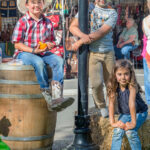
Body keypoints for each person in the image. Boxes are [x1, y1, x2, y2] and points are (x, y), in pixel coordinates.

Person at [12, 0, 74, 111]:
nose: (36, 5)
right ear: (27, 5)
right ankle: (47, 94)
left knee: (58, 61)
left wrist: (50, 44)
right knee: (38, 62)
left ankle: (57, 96)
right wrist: (33, 50)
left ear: (43, 4)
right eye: (33, 2)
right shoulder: (22, 22)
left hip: (43, 52)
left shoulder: (47, 22)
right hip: (24, 53)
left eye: (39, 2)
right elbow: (17, 44)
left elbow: (51, 41)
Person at [69, 0, 118, 117]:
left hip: (108, 53)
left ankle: (114, 108)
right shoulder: (88, 9)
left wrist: (80, 41)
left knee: (111, 83)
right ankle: (101, 106)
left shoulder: (112, 13)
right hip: (93, 53)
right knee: (96, 84)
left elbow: (100, 32)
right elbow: (72, 27)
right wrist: (83, 37)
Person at [107, 59, 148, 150]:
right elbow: (111, 104)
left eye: (126, 74)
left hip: (139, 113)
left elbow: (131, 104)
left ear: (130, 74)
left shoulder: (132, 86)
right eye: (119, 74)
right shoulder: (113, 86)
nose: (123, 77)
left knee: (130, 132)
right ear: (115, 74)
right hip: (125, 114)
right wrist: (112, 122)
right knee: (117, 131)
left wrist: (133, 122)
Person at [142, 0, 150, 105]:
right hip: (148, 53)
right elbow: (145, 38)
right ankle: (149, 102)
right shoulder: (144, 20)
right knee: (148, 80)